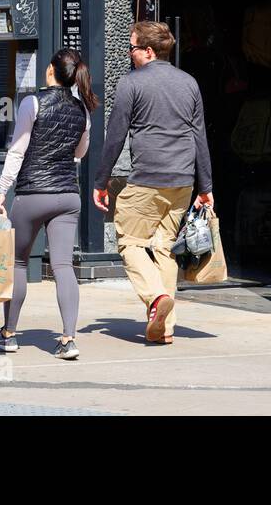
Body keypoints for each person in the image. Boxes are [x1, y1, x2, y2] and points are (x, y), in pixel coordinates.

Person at [94, 21, 213, 345]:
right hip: (182, 182)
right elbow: (198, 136)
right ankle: (165, 327)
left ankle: (156, 298)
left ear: (148, 51)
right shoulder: (188, 83)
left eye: (132, 48)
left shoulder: (131, 84)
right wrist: (206, 187)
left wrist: (101, 181)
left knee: (130, 242)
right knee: (163, 248)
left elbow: (115, 135)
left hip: (147, 178)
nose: (129, 54)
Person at [0, 49, 96, 361]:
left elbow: (17, 151)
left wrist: (1, 190)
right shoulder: (82, 110)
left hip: (33, 193)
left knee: (18, 262)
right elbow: (79, 153)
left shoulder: (32, 103)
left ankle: (8, 334)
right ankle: (68, 339)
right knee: (63, 265)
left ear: (50, 71)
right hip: (67, 195)